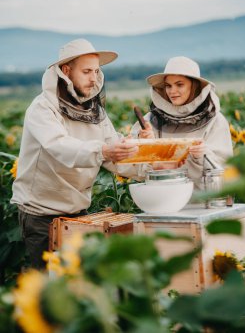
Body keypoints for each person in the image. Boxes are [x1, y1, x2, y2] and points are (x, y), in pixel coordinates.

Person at [11, 39, 141, 269]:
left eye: (97, 71)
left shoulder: (94, 110)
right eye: (87, 71)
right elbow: (60, 147)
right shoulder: (42, 108)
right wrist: (103, 150)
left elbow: (114, 153)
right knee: (50, 289)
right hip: (41, 214)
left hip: (78, 211)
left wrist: (148, 163)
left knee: (77, 285)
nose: (94, 78)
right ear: (66, 71)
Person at [131, 56, 233, 187]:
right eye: (168, 86)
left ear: (194, 86)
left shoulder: (216, 122)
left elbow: (226, 173)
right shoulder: (149, 121)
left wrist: (203, 154)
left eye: (179, 84)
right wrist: (146, 146)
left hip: (203, 203)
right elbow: (132, 168)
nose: (172, 91)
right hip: (161, 200)